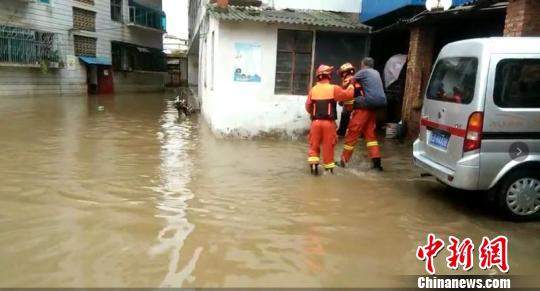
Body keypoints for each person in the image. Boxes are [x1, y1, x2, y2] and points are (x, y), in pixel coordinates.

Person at [339, 57, 387, 171]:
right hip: (374, 107)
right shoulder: (374, 74)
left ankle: (343, 161)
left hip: (362, 110)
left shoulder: (354, 80)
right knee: (371, 136)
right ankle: (377, 163)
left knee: (352, 133)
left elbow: (347, 97)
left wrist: (341, 99)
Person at [306, 64, 354, 175]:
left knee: (314, 145)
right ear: (328, 76)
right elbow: (348, 95)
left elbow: (308, 106)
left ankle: (314, 168)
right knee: (328, 147)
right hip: (329, 124)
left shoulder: (313, 90)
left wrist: (315, 116)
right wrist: (351, 85)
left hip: (315, 123)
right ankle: (328, 172)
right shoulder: (334, 88)